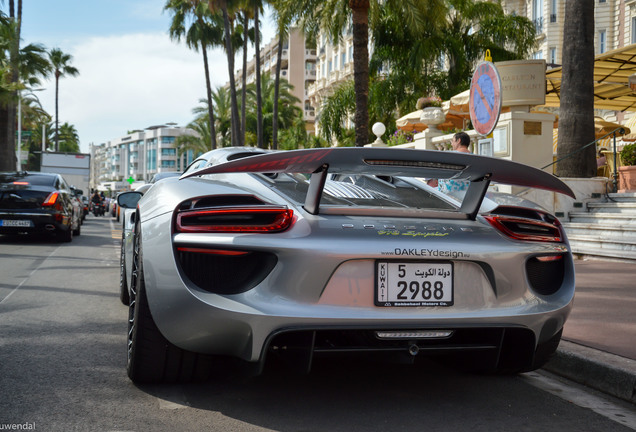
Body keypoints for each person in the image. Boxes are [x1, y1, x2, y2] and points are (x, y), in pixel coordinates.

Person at [437, 132, 472, 199]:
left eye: (452, 141)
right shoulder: (475, 157)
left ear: (458, 141)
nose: (451, 144)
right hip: (467, 196)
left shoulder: (448, 155)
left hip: (449, 196)